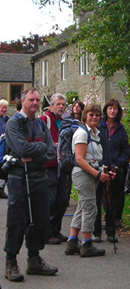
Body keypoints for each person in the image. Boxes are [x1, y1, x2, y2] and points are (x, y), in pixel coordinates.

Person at [4, 87, 58, 282]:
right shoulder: (13, 124)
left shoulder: (40, 124)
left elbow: (51, 152)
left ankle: (34, 259)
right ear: (23, 101)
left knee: (39, 220)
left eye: (37, 100)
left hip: (39, 178)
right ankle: (10, 262)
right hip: (19, 179)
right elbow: (20, 147)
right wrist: (40, 149)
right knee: (16, 222)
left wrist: (34, 152)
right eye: (31, 100)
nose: (35, 103)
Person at [65, 104, 114, 257]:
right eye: (91, 114)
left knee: (83, 206)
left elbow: (94, 159)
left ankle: (72, 242)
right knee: (90, 207)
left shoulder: (95, 133)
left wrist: (104, 172)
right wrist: (98, 175)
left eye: (97, 115)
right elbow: (80, 159)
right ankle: (87, 244)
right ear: (85, 116)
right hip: (83, 174)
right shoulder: (82, 133)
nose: (94, 117)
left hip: (90, 174)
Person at [93, 98, 130, 243]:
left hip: (115, 170)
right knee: (97, 200)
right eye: (110, 108)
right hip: (99, 168)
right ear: (106, 110)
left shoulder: (121, 129)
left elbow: (125, 151)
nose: (112, 111)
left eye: (115, 108)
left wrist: (118, 165)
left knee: (111, 202)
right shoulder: (98, 127)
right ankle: (96, 232)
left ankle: (110, 231)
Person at [40, 93, 68, 244]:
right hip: (48, 165)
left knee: (62, 200)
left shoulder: (63, 122)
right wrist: (52, 145)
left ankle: (55, 230)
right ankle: (47, 233)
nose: (61, 107)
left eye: (63, 104)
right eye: (58, 104)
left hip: (61, 165)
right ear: (51, 106)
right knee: (50, 200)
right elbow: (38, 138)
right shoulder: (45, 120)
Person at [66, 100, 85, 205]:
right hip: (70, 150)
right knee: (68, 176)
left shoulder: (84, 121)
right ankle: (66, 198)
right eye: (75, 106)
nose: (76, 108)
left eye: (79, 106)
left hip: (80, 149)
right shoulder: (68, 120)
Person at [0, 99, 9, 199]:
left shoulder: (6, 119)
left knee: (3, 171)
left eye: (5, 108)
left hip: (3, 150)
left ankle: (1, 189)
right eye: (2, 107)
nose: (4, 109)